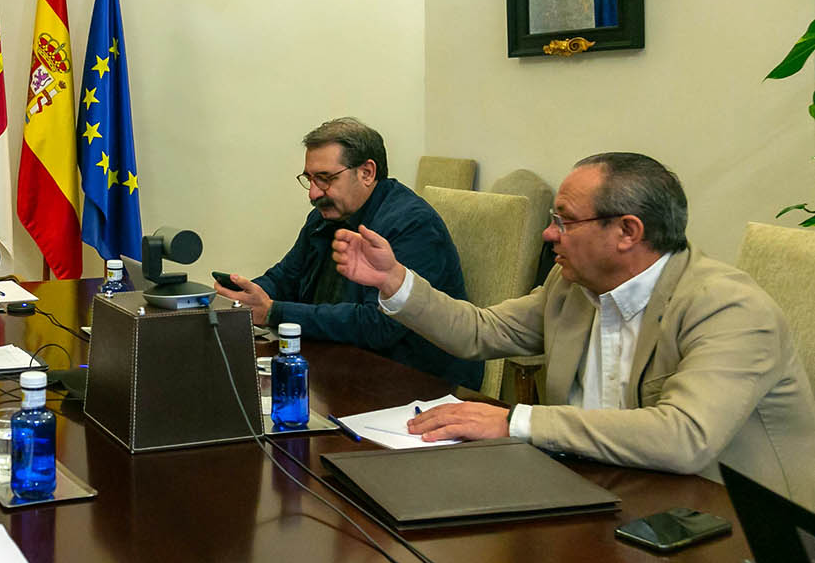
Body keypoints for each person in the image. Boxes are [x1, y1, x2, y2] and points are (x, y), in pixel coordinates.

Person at [332, 151, 815, 507]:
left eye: (564, 221)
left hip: (732, 533)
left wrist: (515, 422)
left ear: (628, 232)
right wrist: (394, 282)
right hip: (603, 492)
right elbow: (479, 332)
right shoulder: (570, 286)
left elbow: (684, 436)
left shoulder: (727, 308)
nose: (548, 234)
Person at [213, 117, 481, 389]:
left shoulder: (412, 225)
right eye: (310, 180)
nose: (314, 194)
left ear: (366, 173)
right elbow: (286, 277)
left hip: (416, 383)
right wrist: (244, 298)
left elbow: (378, 325)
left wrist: (274, 312)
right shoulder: (323, 218)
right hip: (342, 366)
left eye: (325, 179)